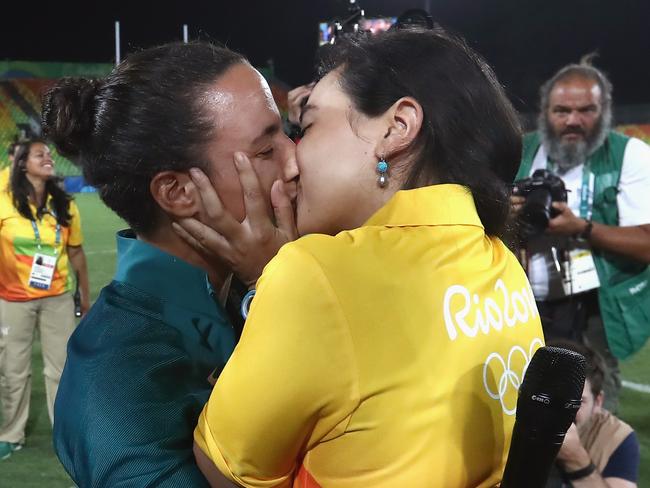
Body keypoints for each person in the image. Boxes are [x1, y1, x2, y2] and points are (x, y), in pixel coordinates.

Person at [180, 29, 545, 487]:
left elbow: (227, 469)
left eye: (306, 128)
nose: (291, 162)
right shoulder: (502, 262)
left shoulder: (316, 274)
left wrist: (270, 280)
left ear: (397, 128)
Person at [41, 41, 297, 487]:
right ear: (178, 193)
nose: (295, 160)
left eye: (288, 132)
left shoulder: (248, 283)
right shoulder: (116, 389)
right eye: (264, 150)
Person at [511, 58, 650, 412]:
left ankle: (596, 465)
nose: (573, 121)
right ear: (545, 111)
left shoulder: (630, 155)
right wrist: (504, 212)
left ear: (604, 110)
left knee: (592, 411)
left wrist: (582, 229)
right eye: (562, 111)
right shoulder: (519, 151)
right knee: (518, 402)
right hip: (525, 300)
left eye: (586, 110)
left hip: (593, 308)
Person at [0, 139, 90, 461]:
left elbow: (76, 252)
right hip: (14, 299)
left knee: (62, 369)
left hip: (58, 299)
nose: (49, 158)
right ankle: (11, 434)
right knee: (13, 369)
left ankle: (63, 432)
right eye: (41, 154)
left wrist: (84, 295)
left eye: (50, 154)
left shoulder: (64, 204)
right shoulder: (4, 200)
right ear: (23, 163)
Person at [546, 340, 639, 488]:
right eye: (551, 398)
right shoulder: (510, 419)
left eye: (576, 402)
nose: (562, 410)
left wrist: (575, 458)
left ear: (598, 402)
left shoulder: (616, 437)